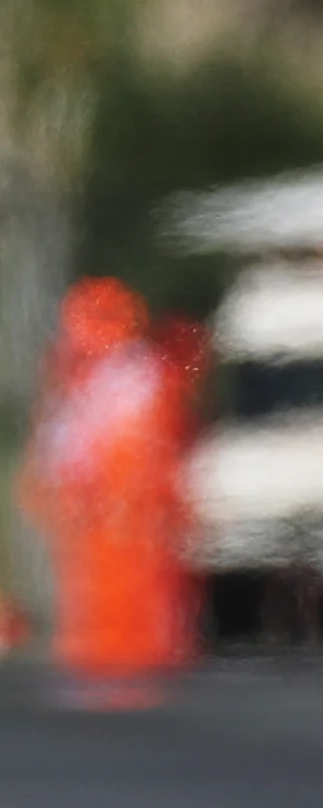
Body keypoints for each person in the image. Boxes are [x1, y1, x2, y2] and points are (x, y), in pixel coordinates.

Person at [21, 278, 198, 692]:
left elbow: (138, 448)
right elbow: (59, 438)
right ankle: (101, 663)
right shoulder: (81, 373)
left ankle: (133, 663)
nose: (81, 333)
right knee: (89, 588)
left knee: (130, 585)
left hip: (125, 511)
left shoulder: (136, 373)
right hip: (91, 510)